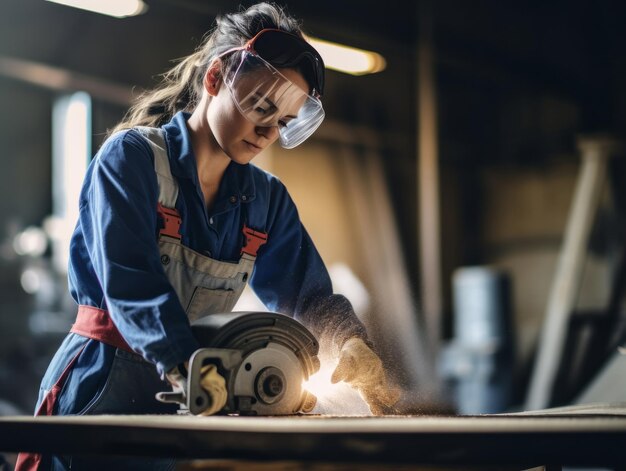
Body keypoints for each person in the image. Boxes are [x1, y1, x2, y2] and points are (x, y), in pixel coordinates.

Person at [16, 2, 398, 470]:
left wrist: (349, 342)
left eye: (281, 123)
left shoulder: (267, 201)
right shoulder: (131, 160)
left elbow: (308, 295)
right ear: (216, 79)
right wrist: (193, 369)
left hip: (187, 401)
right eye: (261, 107)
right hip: (101, 386)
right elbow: (132, 286)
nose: (267, 131)